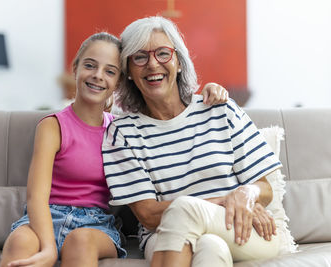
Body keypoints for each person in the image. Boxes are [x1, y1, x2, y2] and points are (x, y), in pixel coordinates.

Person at [0, 32, 228, 267]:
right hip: (47, 215)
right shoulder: (53, 125)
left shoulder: (122, 130)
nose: (98, 76)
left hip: (94, 224)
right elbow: (36, 197)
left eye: (109, 71)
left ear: (119, 82)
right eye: (90, 66)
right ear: (75, 68)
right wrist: (48, 248)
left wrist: (210, 89)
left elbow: (167, 115)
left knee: (80, 240)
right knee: (19, 241)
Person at [102, 16, 281, 267]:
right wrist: (224, 199)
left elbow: (265, 189)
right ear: (128, 71)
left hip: (241, 227)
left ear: (178, 62)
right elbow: (149, 215)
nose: (153, 64)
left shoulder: (220, 109)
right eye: (139, 57)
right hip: (163, 234)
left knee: (187, 211)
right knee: (209, 246)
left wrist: (246, 192)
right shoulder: (122, 133)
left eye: (163, 53)